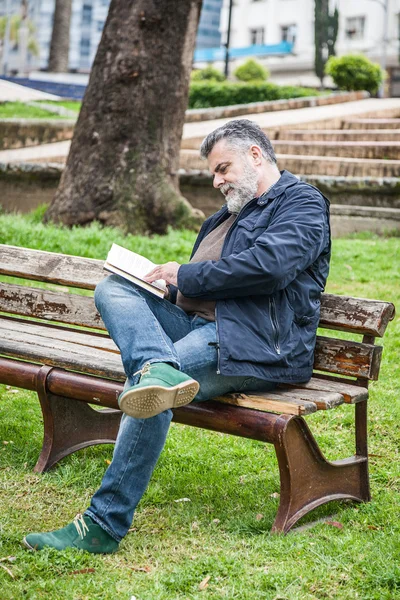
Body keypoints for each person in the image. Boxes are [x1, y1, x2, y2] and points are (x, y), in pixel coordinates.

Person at [23, 119, 331, 554]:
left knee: (149, 389)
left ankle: (102, 525)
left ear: (256, 155)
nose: (216, 180)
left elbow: (272, 267)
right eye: (213, 172)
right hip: (198, 327)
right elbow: (202, 286)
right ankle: (157, 367)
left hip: (252, 343)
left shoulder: (301, 203)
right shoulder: (223, 218)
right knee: (114, 286)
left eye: (223, 168)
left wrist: (185, 273)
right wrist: (169, 287)